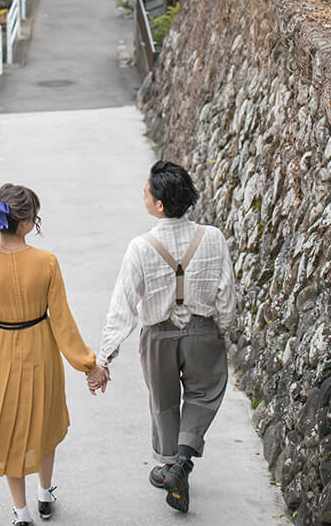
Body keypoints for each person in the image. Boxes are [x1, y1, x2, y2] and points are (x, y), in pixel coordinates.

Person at [0, 183, 108, 525]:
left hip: (0, 353)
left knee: (8, 431)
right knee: (44, 423)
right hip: (41, 350)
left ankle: (21, 512)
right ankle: (45, 493)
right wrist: (89, 366)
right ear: (28, 222)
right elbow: (63, 322)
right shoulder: (46, 262)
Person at [89, 160, 235, 514]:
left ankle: (172, 467)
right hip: (202, 331)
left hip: (158, 336)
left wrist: (104, 356)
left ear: (159, 205)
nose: (143, 194)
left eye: (146, 191)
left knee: (164, 401)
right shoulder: (213, 237)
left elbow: (122, 305)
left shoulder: (141, 247)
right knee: (205, 393)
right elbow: (227, 293)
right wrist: (224, 329)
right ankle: (183, 463)